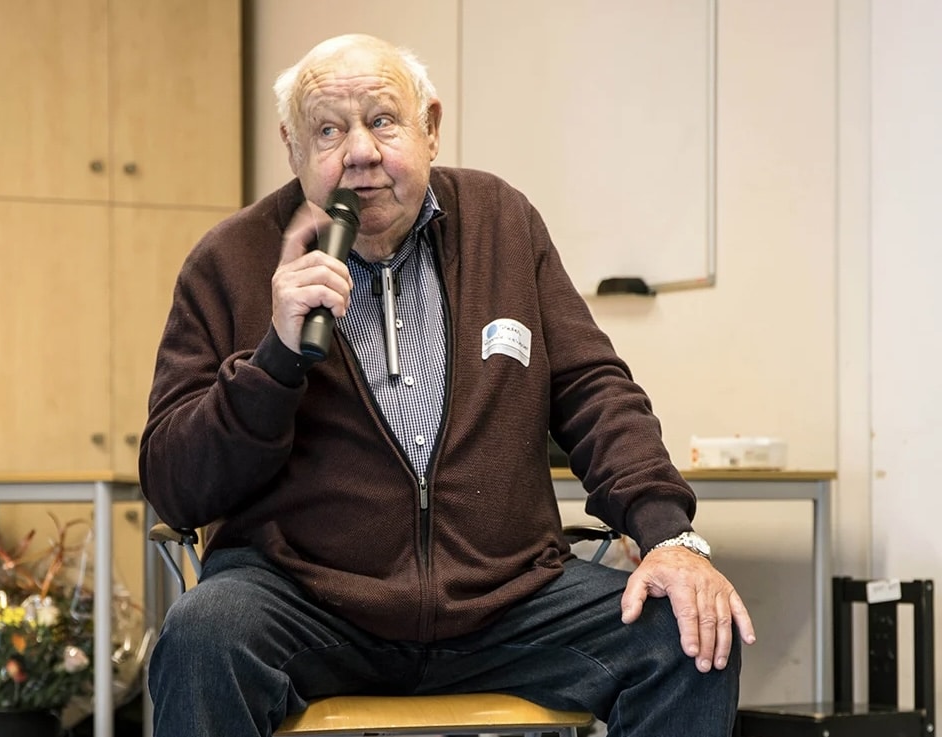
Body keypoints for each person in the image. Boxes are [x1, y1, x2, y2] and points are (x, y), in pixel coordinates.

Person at [140, 33, 755, 737]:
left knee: (691, 634)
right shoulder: (229, 261)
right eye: (328, 131)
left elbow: (595, 391)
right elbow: (174, 484)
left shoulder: (502, 222)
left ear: (430, 127)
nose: (360, 152)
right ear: (292, 147)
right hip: (305, 603)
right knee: (202, 636)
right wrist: (274, 359)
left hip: (506, 601)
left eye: (382, 121)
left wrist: (667, 534)